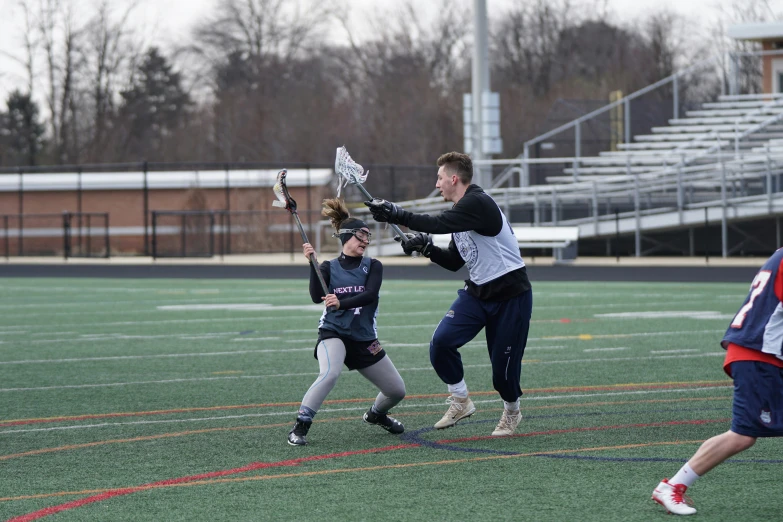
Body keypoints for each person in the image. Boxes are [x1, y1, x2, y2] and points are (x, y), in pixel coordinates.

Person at [364, 151, 533, 436]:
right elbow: (456, 261)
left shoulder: (477, 203)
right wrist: (425, 248)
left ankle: (512, 411)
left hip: (510, 296)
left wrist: (396, 213)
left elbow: (439, 224)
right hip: (479, 293)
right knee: (441, 343)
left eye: (440, 177)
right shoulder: (463, 212)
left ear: (454, 178)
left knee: (502, 375)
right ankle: (460, 400)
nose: (437, 183)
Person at [651, 248, 783, 515]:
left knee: (743, 434)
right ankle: (672, 486)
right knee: (743, 435)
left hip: (762, 351)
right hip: (759, 354)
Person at [287, 198, 407, 446]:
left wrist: (341, 302)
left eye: (367, 237)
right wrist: (313, 265)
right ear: (346, 238)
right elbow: (314, 296)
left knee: (396, 391)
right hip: (334, 333)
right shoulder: (329, 267)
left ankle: (376, 415)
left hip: (364, 338)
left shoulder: (373, 266)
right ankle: (300, 426)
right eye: (360, 236)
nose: (365, 242)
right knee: (330, 374)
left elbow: (370, 294)